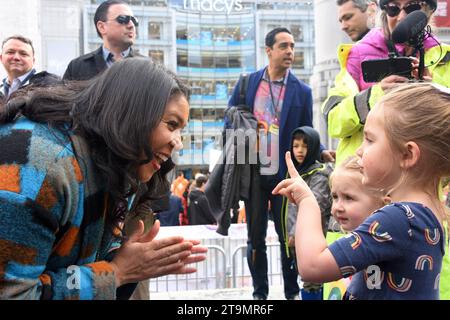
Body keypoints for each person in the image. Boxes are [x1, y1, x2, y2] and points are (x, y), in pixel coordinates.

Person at [0, 58, 207, 300]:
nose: (178, 142)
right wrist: (117, 272)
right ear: (132, 113)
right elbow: (13, 294)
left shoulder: (117, 167)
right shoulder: (39, 164)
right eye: (171, 124)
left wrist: (126, 263)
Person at [274, 83, 450, 299]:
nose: (359, 149)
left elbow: (313, 266)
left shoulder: (399, 219)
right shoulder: (426, 215)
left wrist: (307, 202)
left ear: (407, 155)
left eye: (369, 139)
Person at [227, 27, 333, 300]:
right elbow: (229, 120)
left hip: (285, 173)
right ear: (269, 50)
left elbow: (306, 130)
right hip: (252, 172)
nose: (290, 52)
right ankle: (259, 294)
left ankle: (291, 292)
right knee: (255, 239)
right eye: (284, 46)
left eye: (293, 46)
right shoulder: (247, 84)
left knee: (289, 237)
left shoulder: (302, 91)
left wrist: (320, 150)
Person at [322, 0, 450, 165]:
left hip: (422, 178)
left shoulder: (444, 57)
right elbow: (334, 122)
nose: (402, 16)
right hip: (364, 179)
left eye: (412, 7)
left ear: (429, 10)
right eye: (393, 8)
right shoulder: (358, 53)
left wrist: (432, 94)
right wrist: (375, 95)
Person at [286, 126, 333, 300]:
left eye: (304, 146)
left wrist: (293, 233)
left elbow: (315, 207)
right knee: (307, 281)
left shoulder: (319, 174)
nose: (299, 150)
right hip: (300, 240)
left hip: (313, 239)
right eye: (296, 145)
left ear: (313, 147)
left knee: (314, 283)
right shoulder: (299, 172)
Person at [63, 0, 140, 81]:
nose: (131, 25)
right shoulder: (77, 67)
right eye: (123, 19)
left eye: (134, 20)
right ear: (102, 27)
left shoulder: (147, 67)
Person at [0, 35, 60, 100]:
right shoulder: (2, 91)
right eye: (10, 52)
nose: (16, 57)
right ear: (1, 58)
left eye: (23, 54)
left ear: (33, 61)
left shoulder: (50, 86)